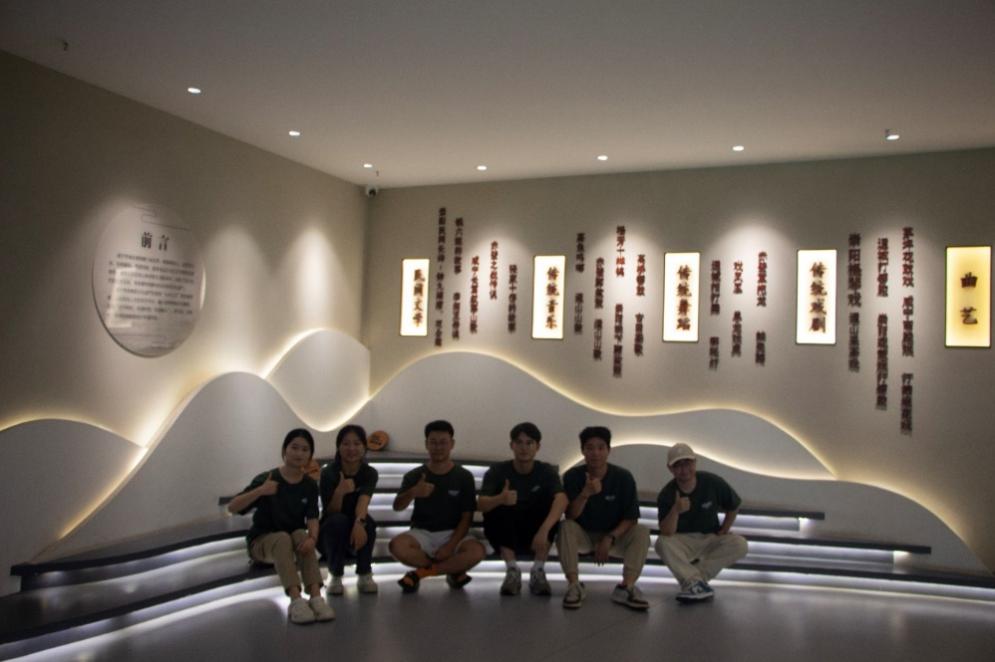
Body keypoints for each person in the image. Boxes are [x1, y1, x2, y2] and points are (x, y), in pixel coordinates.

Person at [228, 428, 336, 624]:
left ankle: (316, 597)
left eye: (305, 449)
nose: (299, 453)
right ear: (284, 449)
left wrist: (313, 538)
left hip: (291, 545)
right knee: (283, 538)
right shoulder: (267, 478)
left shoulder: (309, 485)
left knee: (301, 535)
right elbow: (233, 507)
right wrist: (261, 491)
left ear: (310, 455)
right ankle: (296, 601)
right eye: (294, 447)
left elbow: (312, 517)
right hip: (262, 543)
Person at [557, 426, 650, 611]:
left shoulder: (623, 477)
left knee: (642, 531)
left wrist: (609, 538)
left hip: (614, 538)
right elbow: (571, 515)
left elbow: (631, 518)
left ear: (608, 450)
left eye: (601, 447)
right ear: (582, 451)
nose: (595, 453)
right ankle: (574, 585)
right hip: (584, 536)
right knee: (565, 526)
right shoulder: (573, 476)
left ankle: (627, 587)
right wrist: (585, 493)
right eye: (590, 448)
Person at [388, 420, 486, 592]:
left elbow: (467, 517)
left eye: (443, 442)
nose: (438, 447)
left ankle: (420, 573)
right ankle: (453, 569)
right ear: (426, 444)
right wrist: (413, 492)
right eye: (433, 442)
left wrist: (450, 546)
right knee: (396, 546)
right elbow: (397, 506)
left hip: (454, 534)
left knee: (477, 551)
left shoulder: (464, 476)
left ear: (452, 444)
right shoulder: (415, 475)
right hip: (421, 533)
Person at [477, 422, 568, 596]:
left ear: (537, 447)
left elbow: (562, 499)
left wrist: (544, 530)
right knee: (498, 508)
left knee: (549, 505)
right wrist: (500, 499)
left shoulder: (546, 471)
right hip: (506, 530)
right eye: (519, 442)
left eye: (529, 443)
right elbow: (481, 504)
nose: (524, 448)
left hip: (537, 533)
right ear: (511, 445)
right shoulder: (498, 471)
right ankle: (512, 570)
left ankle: (538, 570)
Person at [655, 443, 748, 603]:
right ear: (670, 468)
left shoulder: (711, 482)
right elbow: (667, 532)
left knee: (740, 544)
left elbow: (734, 505)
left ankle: (694, 581)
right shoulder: (667, 494)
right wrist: (675, 510)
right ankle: (696, 583)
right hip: (683, 541)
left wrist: (724, 529)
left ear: (695, 462)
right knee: (661, 543)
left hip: (710, 537)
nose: (684, 469)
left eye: (687, 463)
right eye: (678, 465)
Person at [318, 424, 379, 596]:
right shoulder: (328, 472)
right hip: (329, 535)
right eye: (346, 443)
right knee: (338, 520)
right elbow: (330, 511)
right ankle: (335, 574)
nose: (351, 448)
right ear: (338, 447)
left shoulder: (369, 473)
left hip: (354, 535)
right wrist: (340, 491)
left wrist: (359, 523)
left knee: (368, 522)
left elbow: (363, 501)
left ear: (364, 447)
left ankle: (365, 573)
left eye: (357, 443)